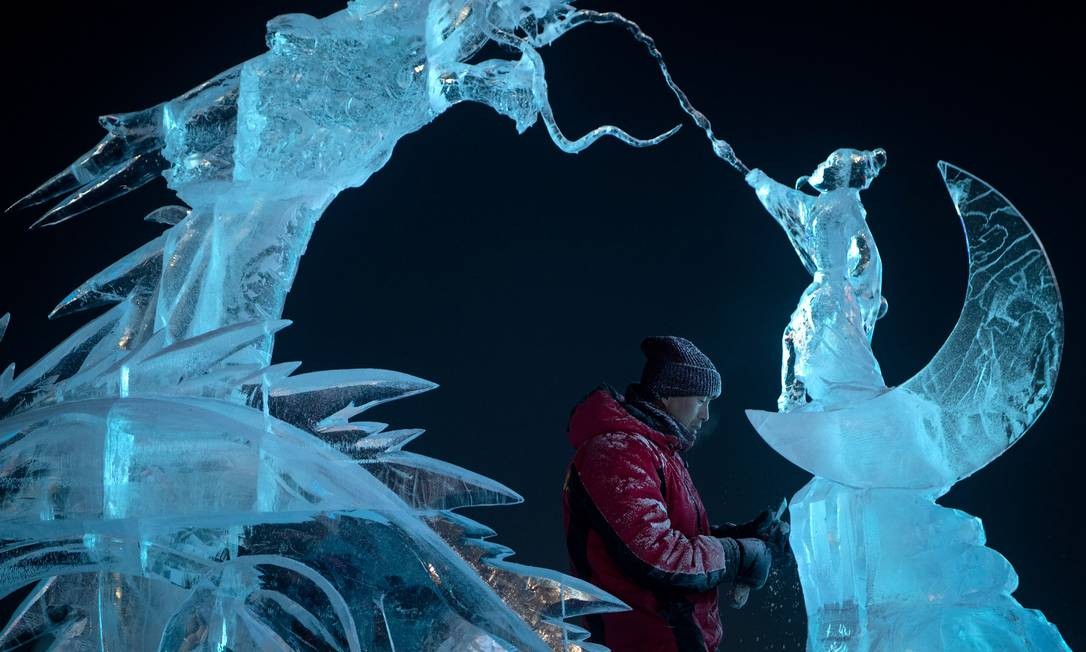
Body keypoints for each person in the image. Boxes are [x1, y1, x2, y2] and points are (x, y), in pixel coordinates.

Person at [563, 336, 788, 651]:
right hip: (642, 644)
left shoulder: (658, 453)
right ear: (668, 394)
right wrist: (736, 555)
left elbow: (677, 538)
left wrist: (744, 535)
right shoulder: (617, 452)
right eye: (701, 400)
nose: (706, 415)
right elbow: (656, 555)